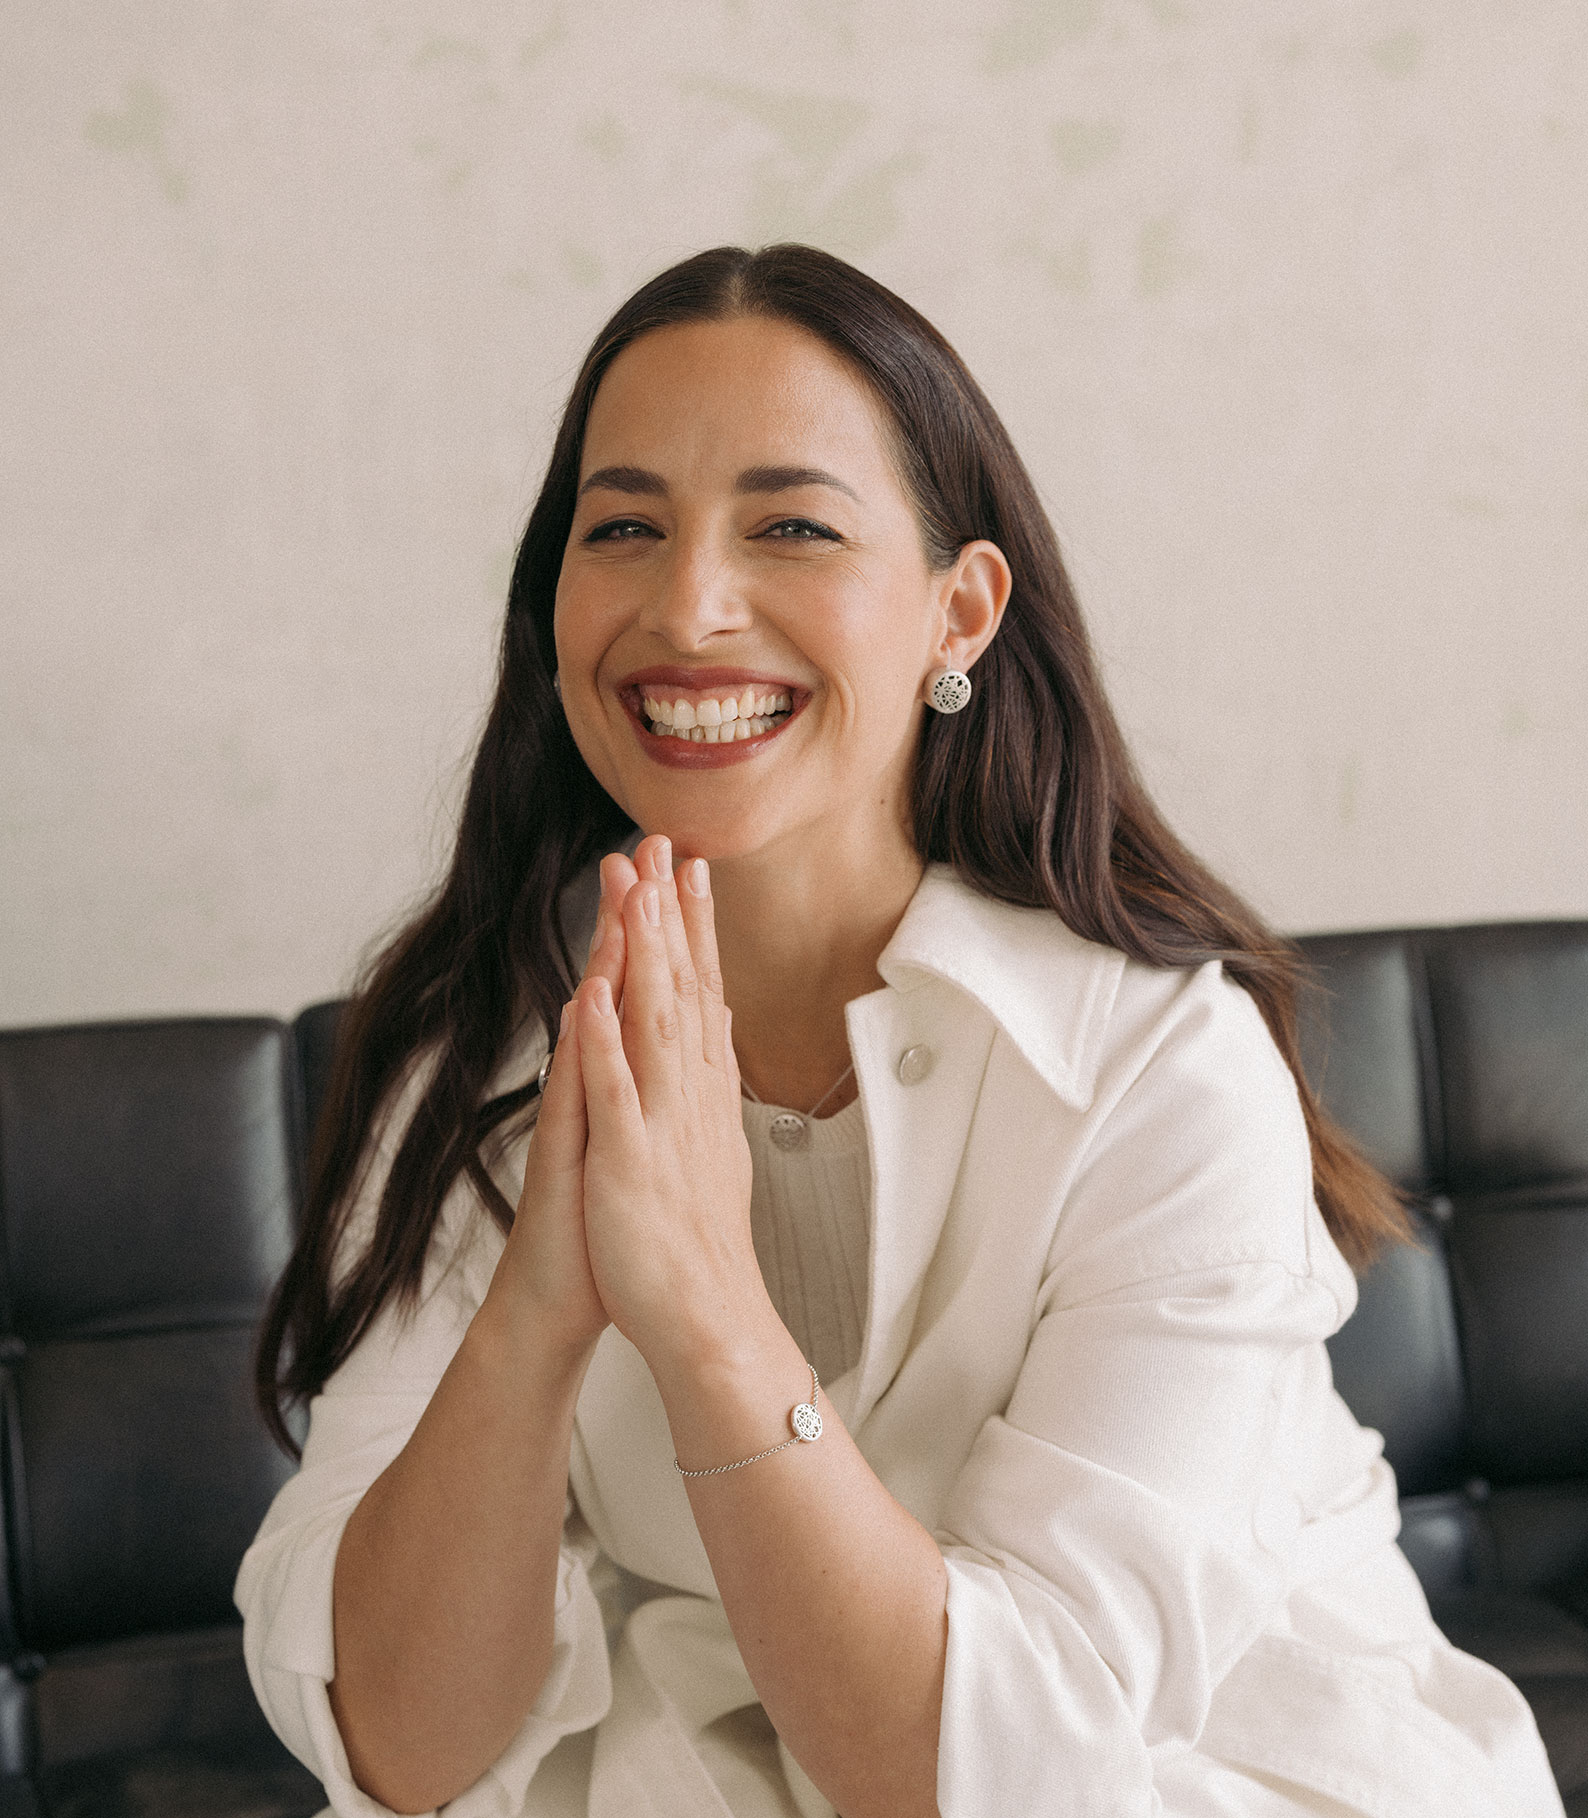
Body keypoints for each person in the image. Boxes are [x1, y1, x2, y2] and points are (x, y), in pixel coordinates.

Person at [238, 244, 1563, 1818]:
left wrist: (706, 1310)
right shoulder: (473, 1049)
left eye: (790, 524)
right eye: (624, 529)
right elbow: (392, 1746)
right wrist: (537, 1310)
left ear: (960, 611)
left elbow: (1002, 1775)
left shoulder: (1159, 1072)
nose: (689, 605)